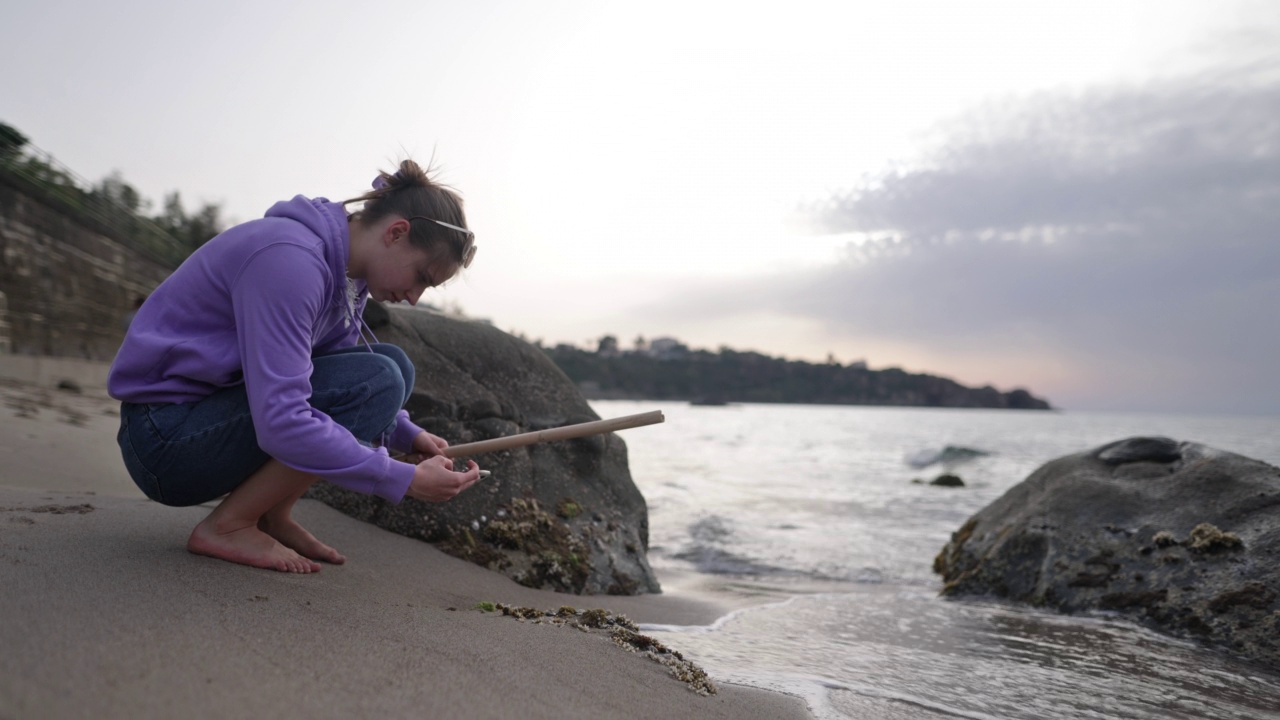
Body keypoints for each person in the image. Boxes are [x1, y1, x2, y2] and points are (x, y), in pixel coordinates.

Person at [108, 159, 484, 574]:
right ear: (396, 233)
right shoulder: (289, 261)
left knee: (391, 367)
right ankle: (229, 525)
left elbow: (331, 373)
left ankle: (270, 513)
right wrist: (402, 479)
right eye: (422, 277)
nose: (414, 297)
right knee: (382, 378)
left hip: (201, 418)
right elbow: (284, 420)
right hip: (165, 442)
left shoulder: (345, 278)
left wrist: (406, 435)